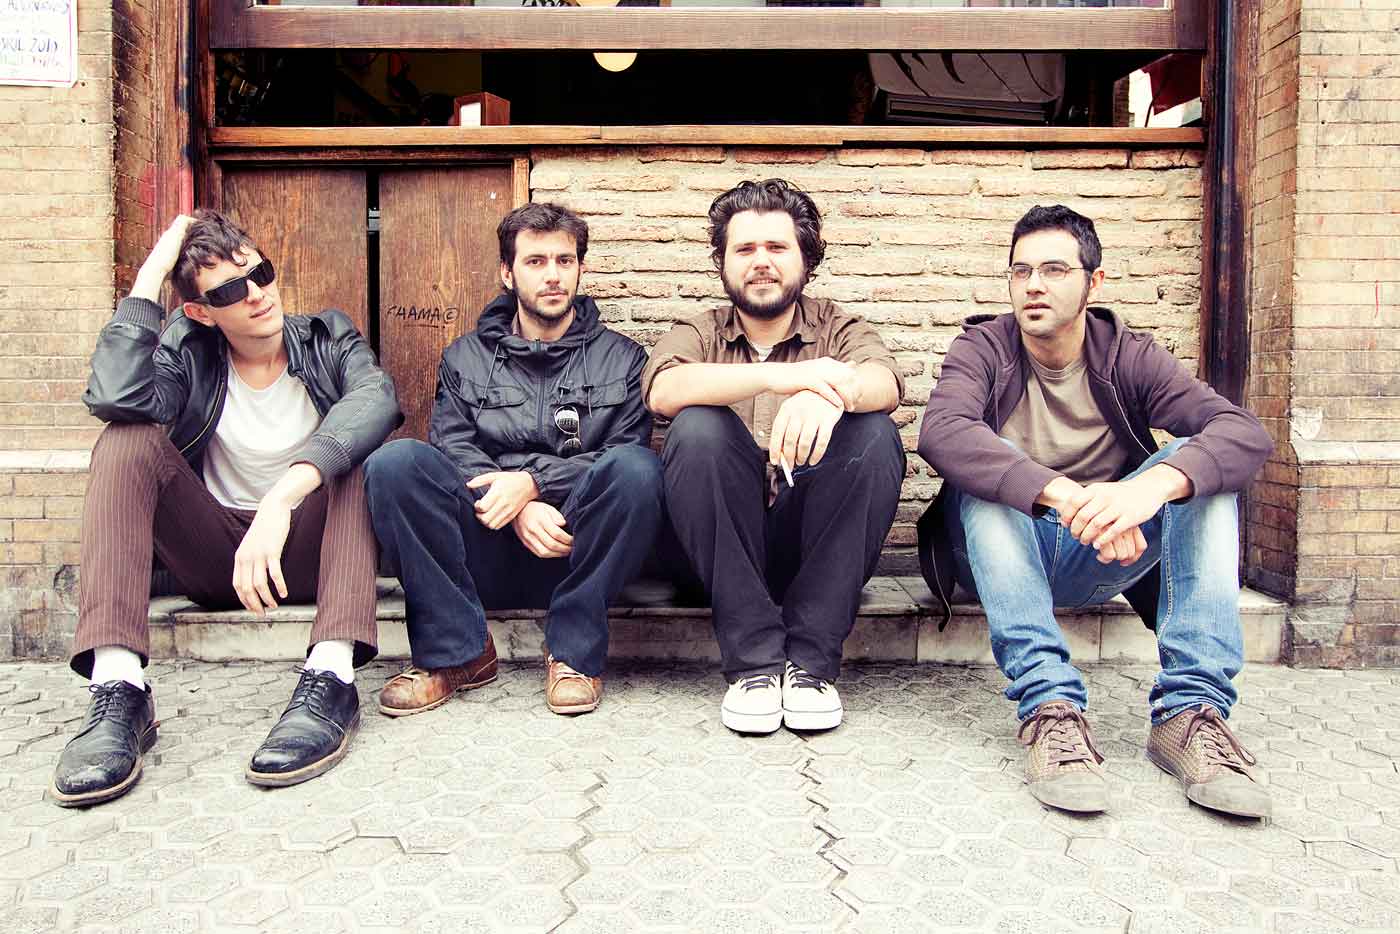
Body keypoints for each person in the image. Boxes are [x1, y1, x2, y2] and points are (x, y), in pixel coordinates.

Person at [917, 204, 1275, 817]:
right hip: (1003, 555)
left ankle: (1190, 714)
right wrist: (1069, 496)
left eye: (1055, 270)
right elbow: (943, 431)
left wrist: (1146, 491)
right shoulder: (984, 347)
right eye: (1021, 271)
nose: (1034, 285)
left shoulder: (1128, 355)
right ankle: (1050, 709)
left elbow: (1242, 432)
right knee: (989, 467)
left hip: (1106, 555)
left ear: (1094, 281)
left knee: (1199, 467)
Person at [52, 210, 402, 807]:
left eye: (260, 274)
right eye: (230, 291)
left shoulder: (327, 336)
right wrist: (152, 275)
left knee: (360, 456)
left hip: (310, 552)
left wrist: (281, 499)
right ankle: (119, 688)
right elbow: (116, 397)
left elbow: (376, 399)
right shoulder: (187, 350)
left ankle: (332, 677)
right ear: (200, 311)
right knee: (125, 438)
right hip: (219, 560)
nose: (257, 295)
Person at [364, 203, 662, 717]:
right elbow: (453, 448)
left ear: (581, 269)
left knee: (640, 470)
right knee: (396, 463)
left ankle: (574, 655)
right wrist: (518, 503)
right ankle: (457, 655)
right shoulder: (466, 357)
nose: (553, 275)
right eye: (535, 261)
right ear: (507, 273)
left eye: (564, 261)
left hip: (577, 548)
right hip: (486, 543)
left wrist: (534, 482)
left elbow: (624, 450)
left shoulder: (623, 359)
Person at [644, 179, 905, 735]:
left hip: (809, 554)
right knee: (696, 426)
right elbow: (664, 390)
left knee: (874, 433)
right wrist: (784, 377)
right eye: (744, 249)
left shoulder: (837, 326)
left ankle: (810, 666)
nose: (760, 261)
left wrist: (831, 396)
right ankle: (754, 668)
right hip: (714, 558)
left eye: (777, 247)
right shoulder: (700, 330)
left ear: (805, 259)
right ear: (722, 263)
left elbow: (885, 382)